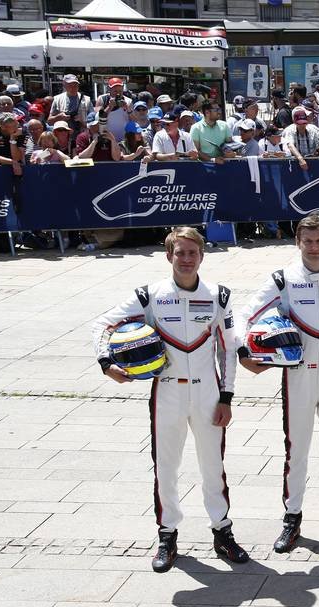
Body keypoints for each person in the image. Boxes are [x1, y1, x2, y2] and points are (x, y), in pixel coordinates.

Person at [91, 227, 249, 573]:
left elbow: (229, 351)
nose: (187, 259)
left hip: (208, 393)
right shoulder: (149, 296)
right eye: (180, 253)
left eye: (193, 252)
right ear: (169, 256)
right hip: (167, 391)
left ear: (202, 256)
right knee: (166, 467)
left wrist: (227, 397)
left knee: (213, 467)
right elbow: (102, 324)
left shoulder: (219, 296)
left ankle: (222, 531)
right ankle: (167, 535)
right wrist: (107, 364)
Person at [241, 213, 319, 552]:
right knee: (296, 451)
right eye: (307, 241)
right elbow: (244, 314)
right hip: (296, 376)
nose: (313, 247)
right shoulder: (283, 279)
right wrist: (247, 351)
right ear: (297, 242)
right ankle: (291, 519)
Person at [49, 74, 91, 138]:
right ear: (64, 85)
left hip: (81, 136)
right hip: (63, 137)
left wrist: (81, 120)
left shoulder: (86, 100)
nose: (73, 87)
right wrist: (59, 117)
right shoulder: (57, 99)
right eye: (70, 85)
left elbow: (93, 123)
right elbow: (49, 121)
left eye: (75, 85)